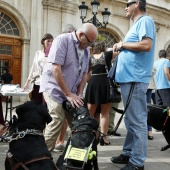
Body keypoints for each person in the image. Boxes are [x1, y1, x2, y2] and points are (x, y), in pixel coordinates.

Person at [110, 1, 156, 170]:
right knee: (131, 120)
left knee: (137, 122)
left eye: (128, 4)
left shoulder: (145, 21)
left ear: (137, 3)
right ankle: (129, 152)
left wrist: (123, 44)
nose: (125, 7)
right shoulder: (137, 24)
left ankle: (137, 163)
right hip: (129, 79)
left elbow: (146, 45)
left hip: (135, 79)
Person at [39, 23, 98, 151]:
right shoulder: (62, 40)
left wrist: (79, 93)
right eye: (89, 42)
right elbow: (56, 69)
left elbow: (84, 74)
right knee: (57, 118)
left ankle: (75, 156)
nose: (89, 46)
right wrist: (68, 94)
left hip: (71, 91)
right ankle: (42, 157)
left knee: (78, 122)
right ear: (81, 34)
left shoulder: (86, 49)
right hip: (54, 88)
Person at [85, 41, 115, 146]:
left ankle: (89, 136)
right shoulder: (107, 54)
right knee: (105, 113)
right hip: (105, 84)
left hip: (93, 84)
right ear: (104, 47)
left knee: (90, 114)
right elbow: (118, 52)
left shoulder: (90, 58)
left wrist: (91, 82)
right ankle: (104, 137)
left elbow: (87, 74)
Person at [53, 24, 76, 152]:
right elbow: (55, 69)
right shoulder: (60, 43)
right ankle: (54, 142)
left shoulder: (77, 48)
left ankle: (63, 140)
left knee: (69, 116)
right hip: (57, 88)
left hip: (71, 88)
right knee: (57, 116)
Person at [23, 33, 53, 103]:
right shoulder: (38, 53)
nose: (50, 43)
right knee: (36, 103)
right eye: (48, 41)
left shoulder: (53, 54)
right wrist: (27, 82)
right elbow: (33, 67)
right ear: (43, 41)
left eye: (52, 41)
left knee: (45, 105)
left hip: (48, 84)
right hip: (38, 82)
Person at [146, 69, 156, 140]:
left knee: (147, 109)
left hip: (147, 86)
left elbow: (153, 70)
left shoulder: (149, 59)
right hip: (135, 86)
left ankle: (149, 130)